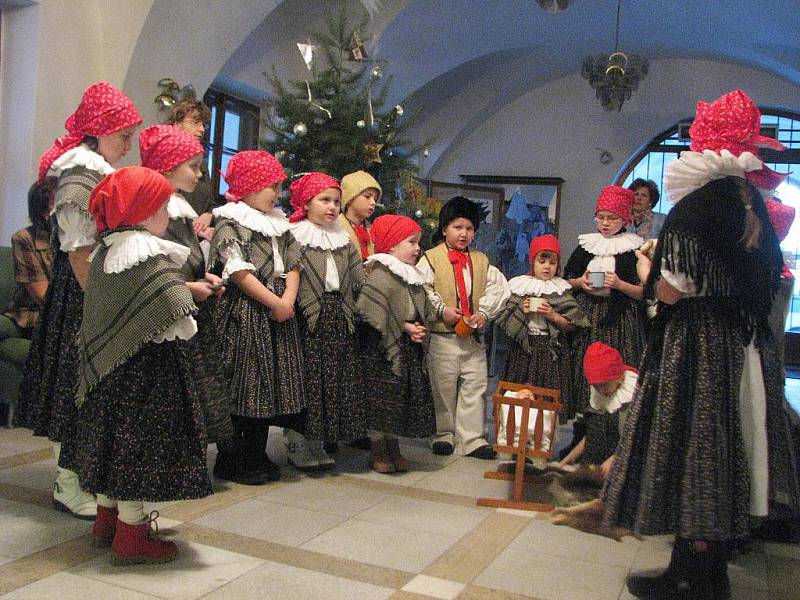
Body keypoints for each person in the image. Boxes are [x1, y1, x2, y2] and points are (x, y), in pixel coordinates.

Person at [602, 89, 800, 599]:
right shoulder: (747, 200)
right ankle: (696, 570)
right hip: (742, 347)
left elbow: (672, 288)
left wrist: (647, 278)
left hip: (699, 349)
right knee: (722, 450)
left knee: (694, 451)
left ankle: (700, 579)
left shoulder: (698, 208)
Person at [17, 81, 142, 520]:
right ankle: (67, 482)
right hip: (80, 294)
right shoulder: (79, 178)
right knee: (73, 387)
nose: (129, 145)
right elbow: (78, 249)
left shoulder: (98, 174)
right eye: (123, 135)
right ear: (99, 132)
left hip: (92, 290)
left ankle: (81, 475)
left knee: (86, 388)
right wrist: (101, 303)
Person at [75, 166, 212, 565]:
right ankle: (132, 534)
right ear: (146, 210)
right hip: (146, 372)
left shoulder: (106, 250)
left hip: (109, 369)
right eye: (163, 206)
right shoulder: (145, 253)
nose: (168, 215)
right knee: (138, 450)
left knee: (112, 442)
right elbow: (177, 314)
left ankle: (107, 521)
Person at [208, 150, 305, 483]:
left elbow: (293, 264)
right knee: (245, 383)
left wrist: (287, 299)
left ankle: (257, 452)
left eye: (278, 187)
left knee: (270, 384)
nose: (276, 194)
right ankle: (232, 457)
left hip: (278, 308)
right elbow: (238, 271)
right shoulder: (231, 222)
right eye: (270, 186)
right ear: (248, 185)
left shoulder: (280, 223)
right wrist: (273, 302)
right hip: (247, 310)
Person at [139, 125, 233, 463]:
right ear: (167, 163)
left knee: (195, 386)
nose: (199, 174)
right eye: (193, 166)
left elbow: (187, 257)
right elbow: (152, 265)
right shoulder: (153, 207)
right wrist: (188, 286)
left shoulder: (178, 206)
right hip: (167, 315)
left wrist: (202, 276)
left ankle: (182, 457)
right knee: (170, 389)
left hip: (190, 310)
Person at [417, 196, 510, 459]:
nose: (463, 234)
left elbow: (498, 289)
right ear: (444, 228)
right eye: (457, 227)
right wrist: (440, 309)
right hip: (443, 336)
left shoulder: (481, 261)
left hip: (473, 339)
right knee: (443, 385)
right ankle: (443, 433)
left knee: (475, 385)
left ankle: (472, 437)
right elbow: (421, 288)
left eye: (469, 229)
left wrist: (483, 313)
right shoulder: (431, 259)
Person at [287, 172, 366, 470]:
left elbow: (358, 277)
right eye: (324, 200)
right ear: (306, 203)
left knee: (329, 382)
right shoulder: (296, 236)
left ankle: (317, 441)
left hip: (338, 316)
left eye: (336, 201)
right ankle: (297, 441)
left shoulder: (343, 239)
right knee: (308, 380)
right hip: (309, 317)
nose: (332, 207)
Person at [563, 185, 646, 439]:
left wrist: (619, 285)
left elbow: (646, 292)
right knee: (583, 370)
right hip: (587, 316)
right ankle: (582, 438)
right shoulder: (586, 246)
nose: (606, 223)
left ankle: (612, 439)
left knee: (613, 373)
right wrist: (581, 283)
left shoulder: (634, 250)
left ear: (624, 219)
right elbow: (566, 279)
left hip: (619, 319)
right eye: (601, 217)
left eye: (612, 218)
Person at [355, 214, 436, 473]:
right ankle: (378, 448)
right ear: (391, 245)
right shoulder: (381, 273)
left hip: (407, 347)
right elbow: (370, 310)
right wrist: (403, 326)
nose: (417, 248)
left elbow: (420, 306)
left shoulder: (410, 274)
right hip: (382, 349)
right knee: (381, 399)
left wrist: (421, 325)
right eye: (411, 242)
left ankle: (393, 445)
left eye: (418, 242)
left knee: (398, 398)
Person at [496, 234, 588, 416]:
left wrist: (552, 315)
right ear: (533, 262)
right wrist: (521, 310)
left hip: (550, 350)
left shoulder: (561, 291)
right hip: (523, 349)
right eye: (542, 260)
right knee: (518, 394)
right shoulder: (520, 286)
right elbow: (506, 320)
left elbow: (573, 325)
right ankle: (513, 434)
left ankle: (542, 437)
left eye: (552, 262)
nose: (547, 266)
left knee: (546, 399)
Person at [558, 341, 635, 474]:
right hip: (593, 464)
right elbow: (591, 435)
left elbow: (633, 439)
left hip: (619, 468)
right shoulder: (598, 398)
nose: (600, 390)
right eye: (596, 386)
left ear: (619, 378)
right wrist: (570, 457)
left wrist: (615, 459)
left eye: (604, 385)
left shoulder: (630, 399)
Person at [2, 179, 57, 339]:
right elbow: (42, 297)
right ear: (43, 210)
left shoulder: (75, 242)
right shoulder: (24, 239)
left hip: (67, 312)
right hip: (35, 315)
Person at [165, 99, 217, 239]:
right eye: (194, 123)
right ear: (176, 124)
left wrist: (209, 215)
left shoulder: (203, 167)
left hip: (196, 242)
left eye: (203, 124)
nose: (202, 130)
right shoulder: (161, 161)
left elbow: (210, 203)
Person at [338, 170, 381, 260]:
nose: (373, 203)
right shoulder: (337, 227)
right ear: (350, 198)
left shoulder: (372, 229)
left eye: (375, 199)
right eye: (367, 196)